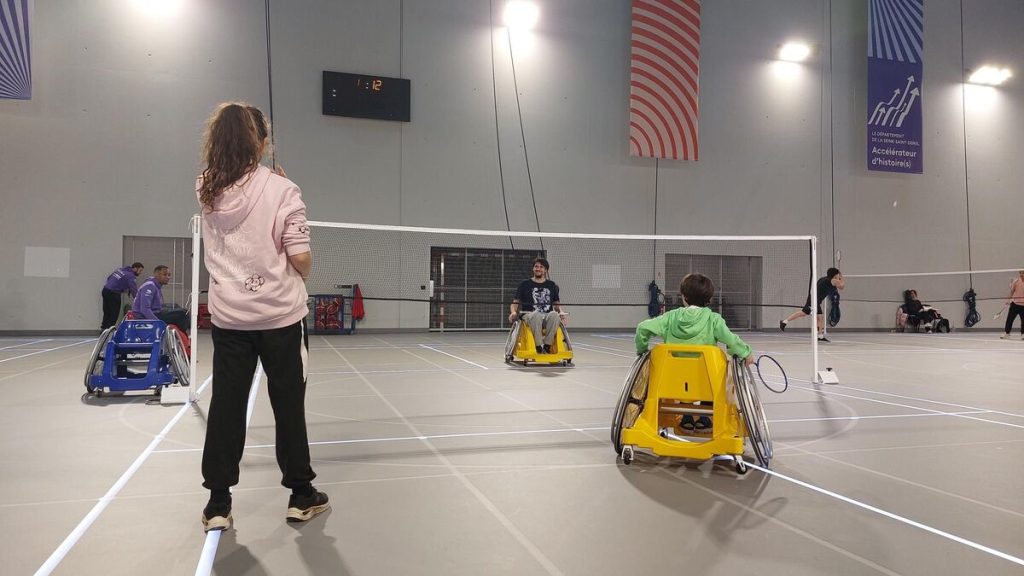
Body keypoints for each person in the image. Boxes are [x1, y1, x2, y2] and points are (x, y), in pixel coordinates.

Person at [196, 102, 328, 533]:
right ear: (263, 142)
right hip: (281, 318)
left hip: (230, 319)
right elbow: (301, 258)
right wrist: (288, 196)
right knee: (289, 406)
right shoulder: (282, 190)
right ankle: (300, 495)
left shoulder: (206, 189)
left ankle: (218, 503)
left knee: (227, 407)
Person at [635, 273, 755, 431]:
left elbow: (642, 328)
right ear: (709, 299)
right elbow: (732, 341)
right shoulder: (713, 319)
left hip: (670, 382)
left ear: (683, 297)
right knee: (721, 366)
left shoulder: (670, 318)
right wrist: (746, 353)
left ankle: (686, 415)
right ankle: (705, 417)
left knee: (678, 370)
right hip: (708, 383)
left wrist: (642, 350)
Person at [509, 258, 563, 353]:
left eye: (541, 267)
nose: (538, 269)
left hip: (546, 316)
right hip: (529, 315)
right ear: (533, 269)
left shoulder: (552, 285)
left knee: (554, 315)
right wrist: (513, 312)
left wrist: (561, 312)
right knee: (536, 314)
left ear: (546, 270)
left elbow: (556, 304)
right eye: (536, 266)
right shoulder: (524, 284)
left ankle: (547, 346)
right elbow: (515, 302)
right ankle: (538, 346)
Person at [780, 267, 845, 342]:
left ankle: (785, 322)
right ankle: (819, 335)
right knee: (811, 315)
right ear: (834, 275)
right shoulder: (833, 280)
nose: (838, 276)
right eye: (837, 274)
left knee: (809, 314)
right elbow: (842, 286)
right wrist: (841, 277)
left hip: (815, 299)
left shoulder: (823, 279)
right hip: (814, 300)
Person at [131, 265, 188, 332]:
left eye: (169, 275)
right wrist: (157, 323)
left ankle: (176, 336)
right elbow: (144, 309)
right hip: (144, 317)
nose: (168, 277)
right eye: (164, 275)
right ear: (156, 275)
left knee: (181, 310)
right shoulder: (150, 286)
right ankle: (181, 337)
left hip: (156, 312)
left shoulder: (155, 285)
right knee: (183, 314)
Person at [100, 262, 144, 329]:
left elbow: (109, 277)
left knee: (107, 311)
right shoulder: (130, 276)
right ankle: (110, 331)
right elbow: (134, 290)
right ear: (135, 268)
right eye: (140, 270)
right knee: (114, 313)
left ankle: (103, 329)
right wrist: (139, 302)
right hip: (114, 294)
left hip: (105, 290)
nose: (140, 273)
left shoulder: (121, 270)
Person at [1001, 270, 1024, 340]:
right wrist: (1008, 300)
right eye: (1020, 273)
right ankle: (1007, 333)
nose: (1021, 274)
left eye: (1023, 273)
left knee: (1023, 321)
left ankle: (1023, 334)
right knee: (1009, 319)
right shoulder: (1016, 281)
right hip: (1015, 304)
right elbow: (1012, 291)